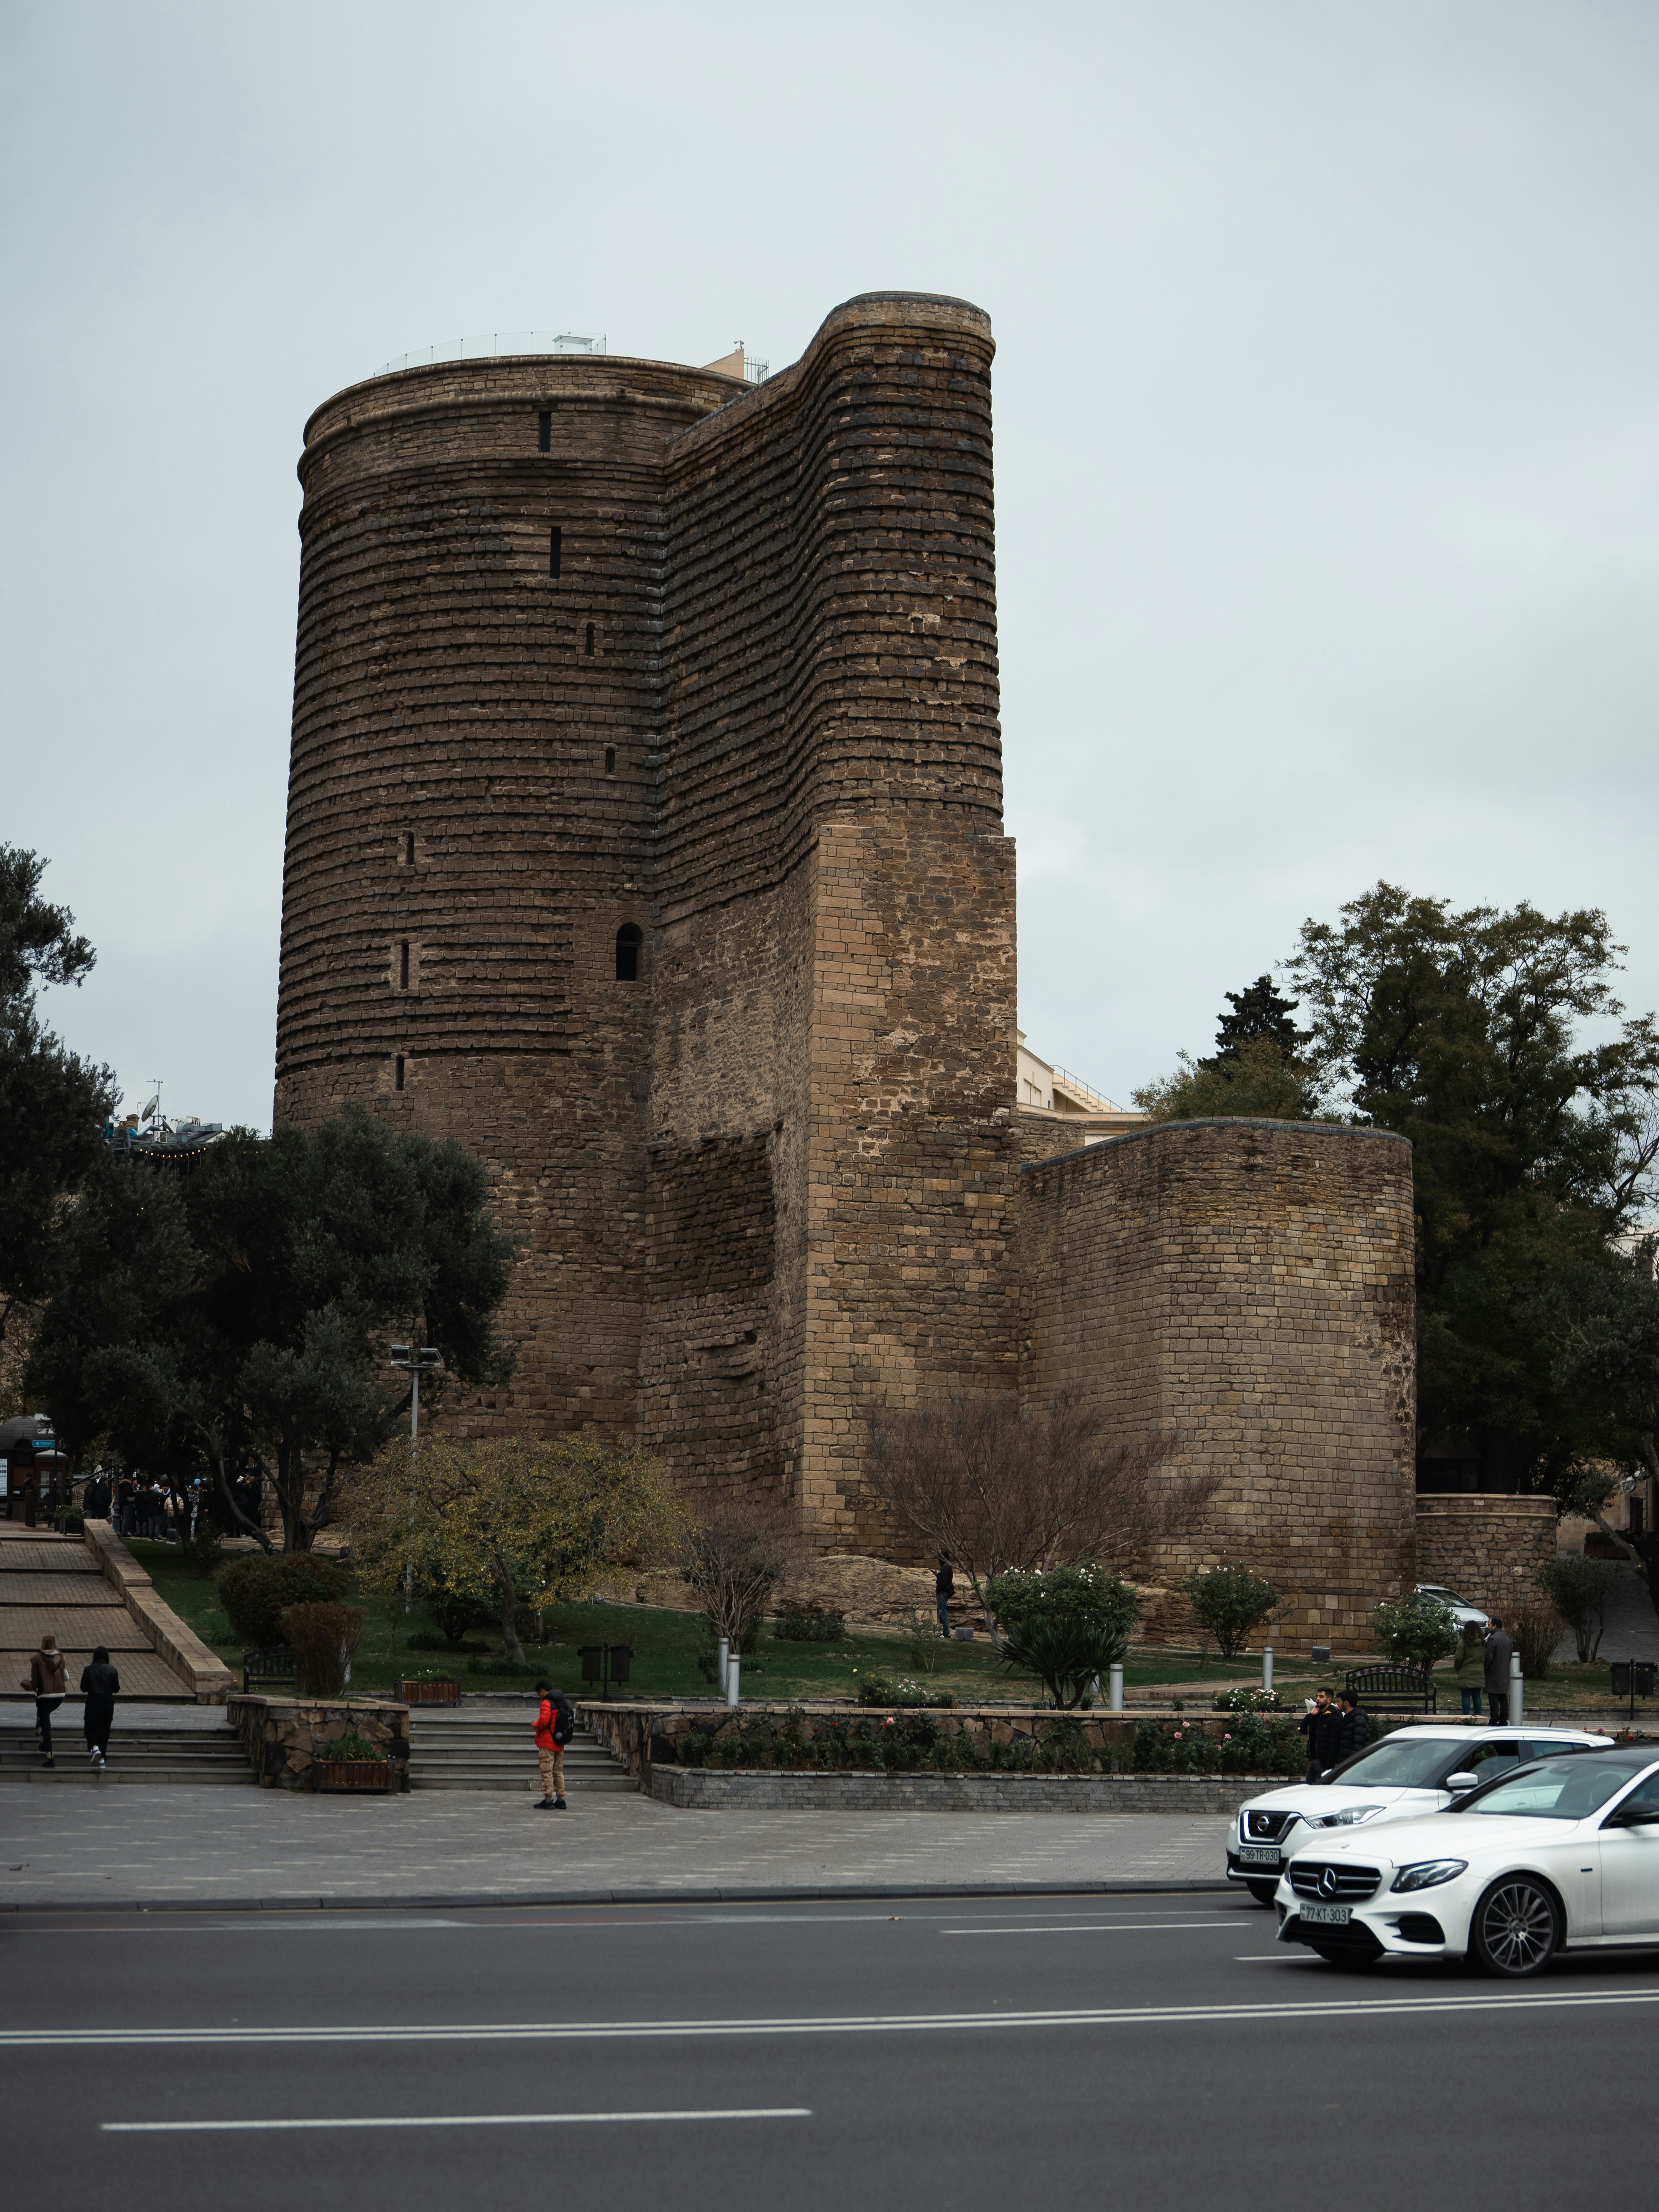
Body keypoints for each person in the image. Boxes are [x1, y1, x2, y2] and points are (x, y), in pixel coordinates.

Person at [22, 1633, 67, 1768]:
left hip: (45, 1696)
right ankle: (42, 1739)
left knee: (45, 1722)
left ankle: (50, 1757)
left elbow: (34, 1684)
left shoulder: (37, 1659)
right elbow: (67, 1677)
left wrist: (25, 1683)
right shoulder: (62, 1657)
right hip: (59, 1696)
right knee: (43, 1714)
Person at [532, 1679, 575, 1809]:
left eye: (539, 1694)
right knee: (558, 1771)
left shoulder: (547, 1702)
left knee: (547, 1771)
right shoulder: (562, 1701)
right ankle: (561, 1799)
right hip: (560, 1742)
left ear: (543, 1691)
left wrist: (535, 1724)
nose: (540, 1696)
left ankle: (548, 1799)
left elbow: (544, 1722)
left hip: (547, 1743)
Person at [80, 1645, 120, 1769]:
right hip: (107, 1703)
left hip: (93, 1702)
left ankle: (95, 1747)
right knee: (104, 1732)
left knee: (90, 1729)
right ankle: (102, 1760)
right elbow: (116, 1689)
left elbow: (83, 1688)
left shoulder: (88, 1670)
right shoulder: (112, 1670)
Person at [1298, 1686, 1343, 1782]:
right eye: (1317, 1696)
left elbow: (1334, 1744)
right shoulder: (1316, 1715)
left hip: (1324, 1762)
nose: (1318, 1699)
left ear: (1329, 1700)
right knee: (1308, 1788)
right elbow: (1303, 1730)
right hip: (1314, 1760)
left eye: (1321, 1697)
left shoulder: (1334, 1717)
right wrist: (1310, 1716)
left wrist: (1329, 1765)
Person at [1484, 1616, 1514, 1725]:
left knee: (1493, 1697)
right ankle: (1503, 1720)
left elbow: (1489, 1657)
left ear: (1495, 1626)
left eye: (1489, 1625)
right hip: (1504, 1673)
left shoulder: (1493, 1639)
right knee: (1503, 1697)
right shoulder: (1508, 1640)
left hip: (1493, 1673)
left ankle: (1494, 1719)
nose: (1488, 1627)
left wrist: (1485, 1669)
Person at [1453, 1622, 1486, 1717]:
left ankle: (1466, 1717)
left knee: (1466, 1696)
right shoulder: (1483, 1642)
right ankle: (1478, 1717)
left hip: (1466, 1672)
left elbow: (1458, 1658)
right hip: (1479, 1671)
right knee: (1477, 1696)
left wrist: (1457, 1668)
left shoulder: (1463, 1642)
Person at [1334, 1689, 1370, 1759]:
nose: (1337, 1704)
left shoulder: (1359, 1721)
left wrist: (1348, 1764)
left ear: (1346, 1703)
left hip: (1352, 1764)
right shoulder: (1347, 1718)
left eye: (1339, 1701)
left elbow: (1359, 1746)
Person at [935, 1556, 954, 1639]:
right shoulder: (948, 1566)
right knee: (941, 1611)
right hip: (943, 1592)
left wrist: (938, 1588)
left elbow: (944, 1581)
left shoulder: (945, 1567)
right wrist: (938, 1575)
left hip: (943, 1592)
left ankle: (946, 1633)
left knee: (942, 1612)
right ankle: (945, 1632)